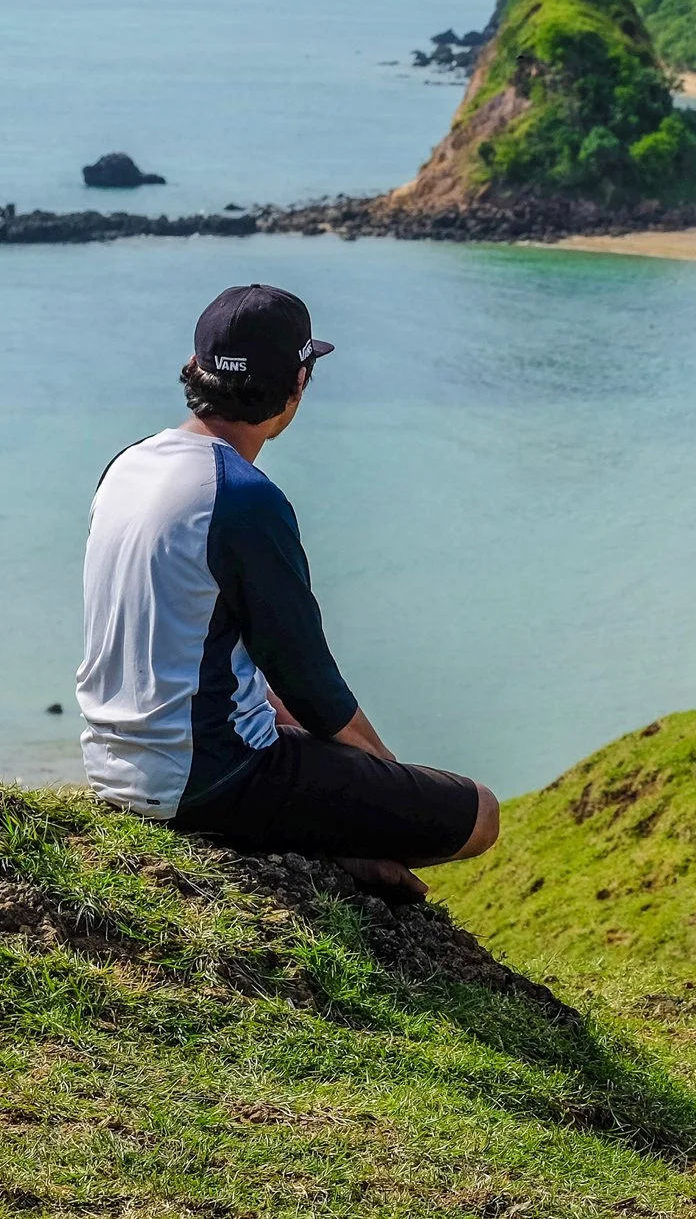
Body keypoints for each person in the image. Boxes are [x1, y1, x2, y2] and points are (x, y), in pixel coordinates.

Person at [77, 283, 496, 898]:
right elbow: (309, 680)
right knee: (479, 813)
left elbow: (205, 650)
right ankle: (330, 845)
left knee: (283, 717)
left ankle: (329, 839)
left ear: (194, 371)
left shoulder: (129, 466)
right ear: (298, 384)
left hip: (112, 769)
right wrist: (386, 782)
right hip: (207, 782)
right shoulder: (242, 497)